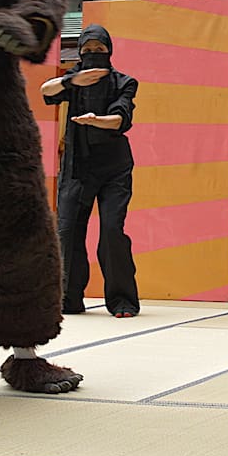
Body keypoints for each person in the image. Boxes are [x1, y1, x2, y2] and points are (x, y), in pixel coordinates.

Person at [41, 24, 140, 317]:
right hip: (77, 167)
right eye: (88, 50)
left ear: (109, 51)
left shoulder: (124, 82)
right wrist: (73, 81)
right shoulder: (74, 80)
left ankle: (122, 300)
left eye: (100, 49)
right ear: (80, 52)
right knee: (68, 231)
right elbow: (45, 90)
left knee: (111, 229)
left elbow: (120, 119)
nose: (94, 54)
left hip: (114, 168)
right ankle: (67, 300)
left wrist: (97, 119)